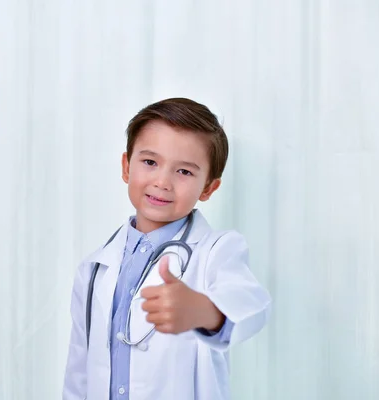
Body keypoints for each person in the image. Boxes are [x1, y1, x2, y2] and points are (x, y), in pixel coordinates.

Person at [62, 98, 271, 400]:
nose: (162, 182)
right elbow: (78, 371)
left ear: (208, 188)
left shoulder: (217, 252)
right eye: (150, 162)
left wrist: (204, 310)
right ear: (126, 167)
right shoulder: (95, 269)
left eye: (184, 172)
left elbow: (252, 306)